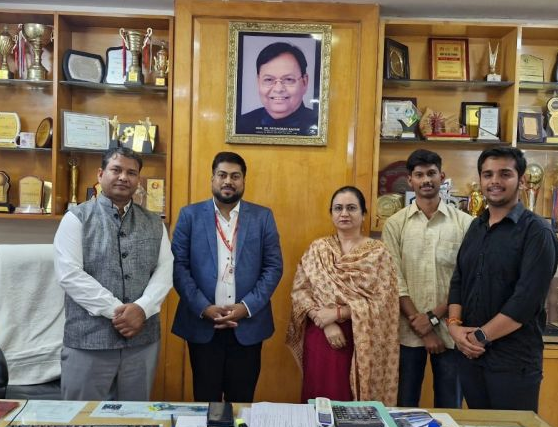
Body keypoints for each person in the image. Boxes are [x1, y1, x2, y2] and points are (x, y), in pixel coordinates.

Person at [54, 147, 173, 401]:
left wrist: (141, 308)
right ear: (100, 174)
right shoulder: (76, 219)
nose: (123, 177)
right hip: (89, 342)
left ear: (138, 180)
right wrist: (118, 312)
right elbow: (69, 274)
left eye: (131, 173)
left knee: (134, 423)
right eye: (116, 170)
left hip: (141, 343)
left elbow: (165, 270)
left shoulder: (154, 222)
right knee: (80, 425)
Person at [447, 146, 558, 412]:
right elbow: (459, 280)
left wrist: (481, 336)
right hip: (471, 357)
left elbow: (525, 300)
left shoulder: (537, 232)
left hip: (513, 361)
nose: (495, 181)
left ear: (521, 180)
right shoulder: (476, 226)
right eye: (488, 174)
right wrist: (453, 327)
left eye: (504, 174)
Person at [172, 151, 283, 402]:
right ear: (212, 179)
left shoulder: (262, 216)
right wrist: (204, 307)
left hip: (247, 325)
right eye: (222, 175)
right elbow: (179, 267)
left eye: (235, 176)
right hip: (203, 324)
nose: (228, 181)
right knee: (206, 399)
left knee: (242, 401)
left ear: (243, 181)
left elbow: (273, 267)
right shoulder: (190, 216)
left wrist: (247, 307)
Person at [287, 186, 399, 404]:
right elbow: (300, 291)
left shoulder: (377, 252)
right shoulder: (318, 249)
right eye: (338, 208)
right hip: (321, 333)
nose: (344, 213)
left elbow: (385, 303)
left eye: (351, 208)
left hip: (361, 337)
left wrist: (339, 313)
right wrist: (325, 322)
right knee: (319, 399)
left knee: (350, 403)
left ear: (363, 214)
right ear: (331, 214)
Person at [382, 150, 472, 409]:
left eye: (431, 173)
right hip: (408, 332)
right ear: (409, 180)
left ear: (442, 177)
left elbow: (466, 279)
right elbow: (393, 278)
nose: (426, 180)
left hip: (451, 330)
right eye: (419, 175)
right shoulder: (395, 225)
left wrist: (432, 319)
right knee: (404, 404)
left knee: (450, 407)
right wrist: (420, 325)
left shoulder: (466, 224)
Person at [237, 42, 318, 136]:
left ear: (304, 82)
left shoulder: (319, 124)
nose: (278, 89)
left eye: (288, 79)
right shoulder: (243, 123)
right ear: (258, 82)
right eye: (268, 79)